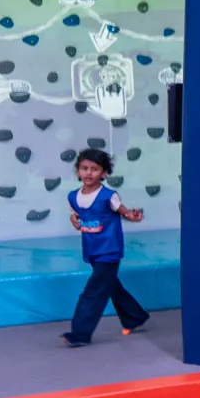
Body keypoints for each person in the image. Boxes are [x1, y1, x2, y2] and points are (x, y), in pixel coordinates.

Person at [62, 148, 149, 347]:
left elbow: (124, 212)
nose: (88, 173)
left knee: (93, 292)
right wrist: (74, 219)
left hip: (109, 250)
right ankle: (135, 316)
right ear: (78, 171)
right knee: (111, 286)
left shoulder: (109, 196)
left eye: (94, 169)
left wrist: (132, 216)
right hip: (92, 250)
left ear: (104, 173)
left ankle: (80, 334)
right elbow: (77, 214)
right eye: (84, 168)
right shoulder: (73, 196)